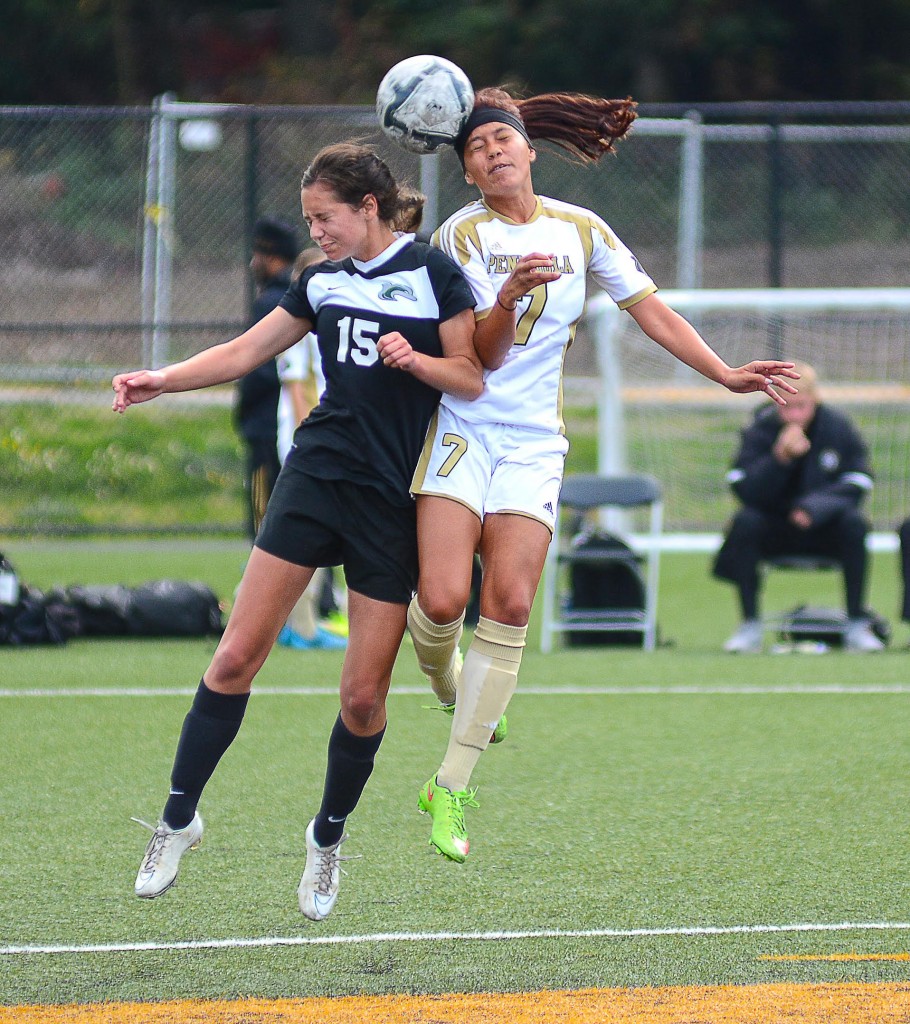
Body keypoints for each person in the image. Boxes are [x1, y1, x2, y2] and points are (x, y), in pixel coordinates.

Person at [406, 86, 800, 864]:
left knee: (511, 599)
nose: (492, 151)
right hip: (461, 429)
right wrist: (510, 296)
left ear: (529, 149)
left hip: (531, 443)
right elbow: (476, 361)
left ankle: (451, 783)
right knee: (443, 599)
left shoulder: (582, 229)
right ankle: (452, 684)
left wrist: (724, 373)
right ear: (469, 172)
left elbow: (650, 309)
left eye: (502, 139)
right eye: (476, 147)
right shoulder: (459, 239)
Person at [113, 142, 482, 920]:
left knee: (361, 699)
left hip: (390, 498)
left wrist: (415, 360)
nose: (317, 231)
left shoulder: (434, 272)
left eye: (327, 217)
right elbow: (249, 350)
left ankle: (327, 839)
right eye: (311, 218)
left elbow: (471, 377)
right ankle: (178, 817)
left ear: (369, 208)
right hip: (315, 477)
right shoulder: (318, 281)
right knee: (237, 653)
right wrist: (162, 380)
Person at [714, 362, 883, 653]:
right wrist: (778, 460)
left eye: (800, 406)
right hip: (776, 529)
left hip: (824, 529)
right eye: (785, 406)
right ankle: (750, 625)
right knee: (745, 522)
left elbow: (859, 480)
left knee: (854, 523)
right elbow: (742, 486)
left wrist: (814, 508)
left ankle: (856, 622)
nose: (793, 415)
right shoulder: (761, 429)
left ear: (815, 400)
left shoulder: (836, 427)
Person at [274, 246, 347, 652]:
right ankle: (296, 625)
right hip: (309, 444)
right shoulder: (298, 321)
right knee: (305, 535)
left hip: (333, 442)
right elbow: (296, 386)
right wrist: (312, 440)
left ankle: (305, 622)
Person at [235, 216, 299, 539]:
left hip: (268, 426)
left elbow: (258, 367)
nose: (251, 263)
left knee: (265, 521)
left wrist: (247, 411)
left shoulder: (275, 302)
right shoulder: (303, 293)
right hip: (297, 428)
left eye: (256, 254)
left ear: (270, 255)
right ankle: (323, 590)